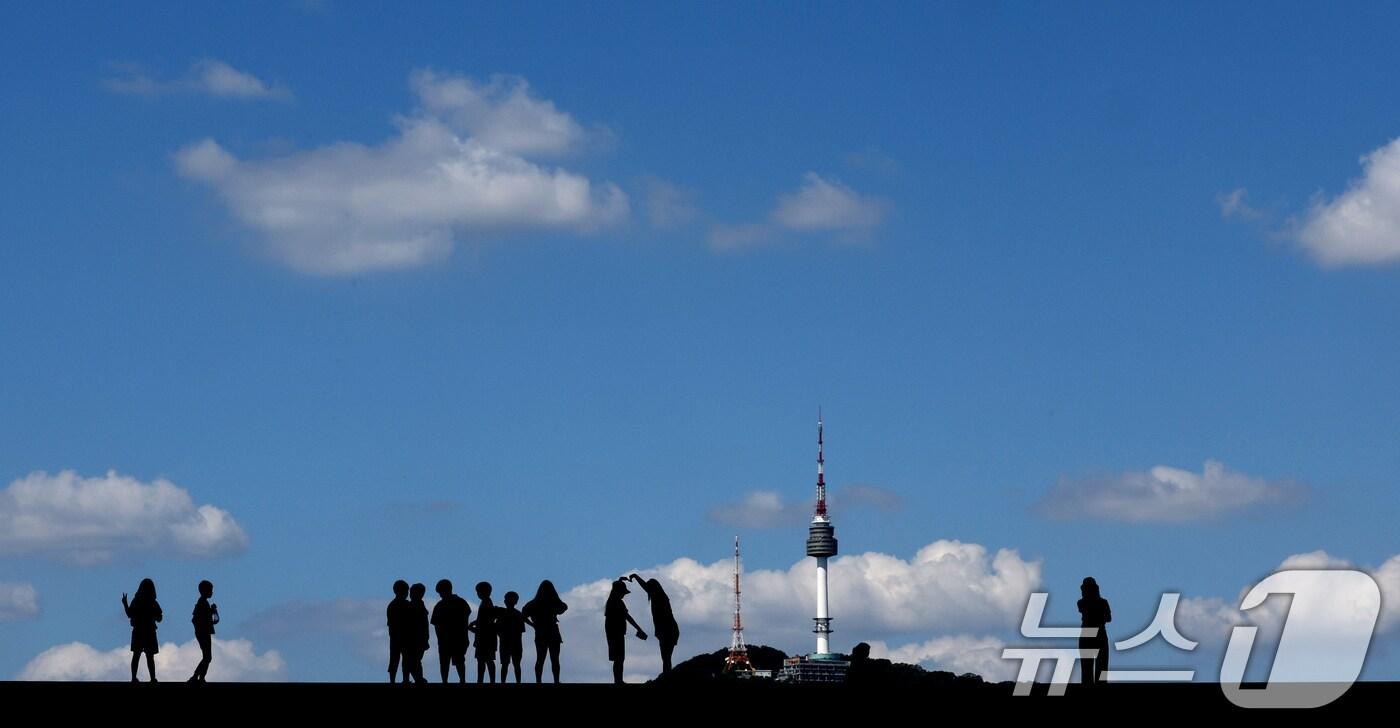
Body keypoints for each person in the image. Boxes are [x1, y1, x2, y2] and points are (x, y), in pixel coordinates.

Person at [629, 573, 680, 674]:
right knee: (666, 657)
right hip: (668, 630)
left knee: (666, 657)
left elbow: (645, 587)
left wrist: (636, 577)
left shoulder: (659, 598)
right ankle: (667, 675)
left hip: (668, 630)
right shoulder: (659, 596)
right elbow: (646, 587)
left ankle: (667, 676)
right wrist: (636, 576)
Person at [522, 579, 568, 684]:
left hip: (540, 632)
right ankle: (556, 681)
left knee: (540, 658)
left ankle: (538, 681)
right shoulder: (554, 602)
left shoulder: (534, 603)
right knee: (555, 659)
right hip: (553, 631)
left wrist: (533, 625)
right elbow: (564, 607)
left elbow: (523, 615)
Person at [603, 578, 647, 684]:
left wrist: (620, 580)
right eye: (622, 592)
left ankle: (618, 680)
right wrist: (639, 628)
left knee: (618, 658)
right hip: (616, 633)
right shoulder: (617, 602)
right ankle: (618, 681)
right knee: (619, 658)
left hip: (614, 633)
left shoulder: (611, 601)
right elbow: (627, 617)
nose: (624, 595)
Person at [122, 578, 163, 683]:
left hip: (138, 631)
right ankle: (152, 678)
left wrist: (125, 604)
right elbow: (159, 618)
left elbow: (129, 614)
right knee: (150, 657)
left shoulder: (137, 601)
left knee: (136, 655)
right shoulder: (153, 602)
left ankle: (134, 678)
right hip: (150, 631)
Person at [431, 579, 471, 683]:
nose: (440, 595)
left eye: (441, 592)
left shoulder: (440, 605)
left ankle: (448, 681)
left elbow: (436, 624)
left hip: (450, 639)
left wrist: (440, 637)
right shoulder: (461, 602)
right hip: (457, 638)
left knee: (447, 662)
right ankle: (461, 680)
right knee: (457, 661)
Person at [1077, 576, 1112, 685]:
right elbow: (1108, 618)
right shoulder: (1100, 603)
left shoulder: (1083, 602)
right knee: (1092, 666)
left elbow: (1108, 618)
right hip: (1097, 632)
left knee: (1094, 665)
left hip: (1092, 633)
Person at [188, 580, 218, 683]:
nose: (212, 592)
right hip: (203, 633)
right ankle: (196, 676)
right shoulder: (202, 603)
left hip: (203, 632)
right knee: (207, 657)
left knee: (207, 657)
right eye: (210, 590)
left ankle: (200, 677)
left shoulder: (203, 603)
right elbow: (195, 619)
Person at [469, 581, 498, 683]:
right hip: (486, 636)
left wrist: (473, 625)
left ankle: (482, 680)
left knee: (484, 660)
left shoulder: (486, 603)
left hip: (484, 637)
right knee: (487, 660)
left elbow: (484, 620)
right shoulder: (487, 602)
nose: (477, 594)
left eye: (478, 591)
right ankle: (489, 680)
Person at [496, 591, 526, 683]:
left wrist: (502, 636)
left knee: (505, 665)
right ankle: (518, 682)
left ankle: (503, 682)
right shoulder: (518, 614)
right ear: (516, 602)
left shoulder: (501, 614)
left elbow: (497, 628)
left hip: (505, 643)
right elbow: (521, 630)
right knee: (516, 665)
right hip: (516, 643)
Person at [386, 579, 412, 683]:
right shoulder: (407, 605)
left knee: (395, 659)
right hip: (404, 637)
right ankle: (405, 679)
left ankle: (394, 680)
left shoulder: (392, 605)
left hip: (395, 637)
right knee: (404, 659)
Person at [407, 583, 430, 684]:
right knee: (415, 661)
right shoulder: (421, 607)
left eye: (412, 592)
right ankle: (419, 679)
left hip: (415, 640)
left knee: (413, 661)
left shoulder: (414, 607)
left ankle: (418, 679)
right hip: (419, 640)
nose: (410, 594)